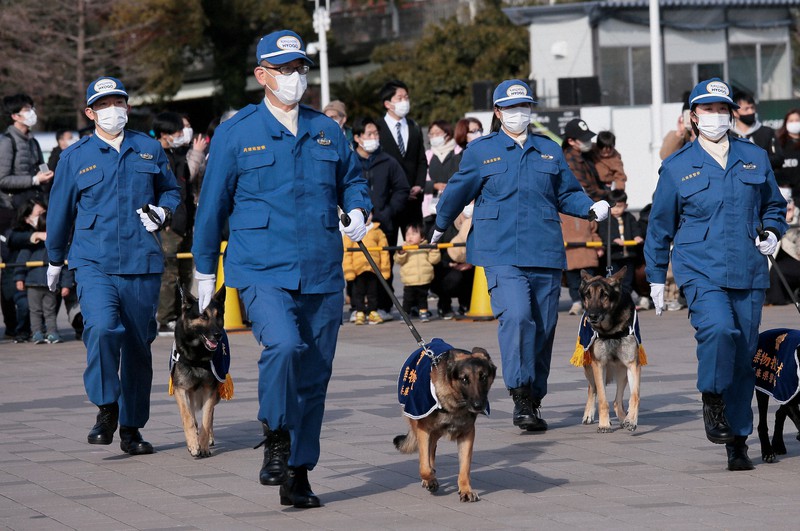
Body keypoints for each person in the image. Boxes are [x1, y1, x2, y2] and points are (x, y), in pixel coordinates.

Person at [191, 30, 371, 509]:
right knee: (285, 346)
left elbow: (353, 181)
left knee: (314, 375)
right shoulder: (238, 131)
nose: (295, 77)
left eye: (300, 68)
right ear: (262, 75)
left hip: (321, 271)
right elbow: (212, 206)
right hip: (260, 267)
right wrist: (205, 272)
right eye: (285, 69)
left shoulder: (326, 129)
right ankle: (274, 435)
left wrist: (357, 211)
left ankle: (298, 471)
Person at [431, 79, 610, 432]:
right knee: (517, 317)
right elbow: (458, 189)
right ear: (498, 112)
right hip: (500, 251)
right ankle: (520, 395)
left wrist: (590, 207)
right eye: (511, 108)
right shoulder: (482, 151)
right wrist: (439, 224)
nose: (519, 113)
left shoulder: (549, 150)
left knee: (542, 328)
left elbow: (566, 193)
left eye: (525, 106)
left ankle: (534, 395)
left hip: (544, 250)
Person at [645, 78, 787, 471]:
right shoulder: (677, 167)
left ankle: (737, 440)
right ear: (693, 116)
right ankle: (711, 397)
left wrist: (773, 232)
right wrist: (656, 276)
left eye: (722, 109)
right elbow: (659, 225)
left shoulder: (754, 157)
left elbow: (774, 206)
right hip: (699, 267)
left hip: (748, 266)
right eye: (707, 110)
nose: (716, 116)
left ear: (732, 114)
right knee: (719, 331)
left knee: (743, 355)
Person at [46, 76, 181, 456]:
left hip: (142, 262)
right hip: (94, 261)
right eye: (104, 104)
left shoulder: (148, 148)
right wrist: (55, 260)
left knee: (139, 346)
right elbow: (59, 213)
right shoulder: (75, 156)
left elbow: (171, 189)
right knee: (103, 329)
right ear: (90, 113)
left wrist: (163, 210)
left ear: (128, 106)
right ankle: (107, 407)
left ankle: (132, 428)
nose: (113, 110)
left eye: (118, 101)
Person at [0, 94, 53, 337]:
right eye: (26, 109)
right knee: (15, 267)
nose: (32, 112)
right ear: (14, 116)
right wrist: (33, 179)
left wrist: (45, 175)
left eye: (32, 107)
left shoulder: (31, 141)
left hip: (34, 207)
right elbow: (2, 179)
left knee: (35, 261)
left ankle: (35, 326)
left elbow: (40, 167)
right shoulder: (7, 141)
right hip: (12, 211)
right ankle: (15, 326)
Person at [350, 116, 409, 322]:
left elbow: (402, 189)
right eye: (369, 134)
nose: (374, 138)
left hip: (384, 225)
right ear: (357, 138)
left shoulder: (389, 161)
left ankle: (383, 306)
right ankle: (357, 307)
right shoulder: (349, 161)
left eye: (376, 134)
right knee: (354, 266)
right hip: (354, 226)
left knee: (384, 266)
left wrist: (385, 213)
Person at [152, 112, 195, 334]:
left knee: (186, 272)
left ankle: (181, 315)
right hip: (168, 224)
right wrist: (164, 218)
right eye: (178, 130)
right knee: (170, 274)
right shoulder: (155, 154)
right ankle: (164, 317)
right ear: (164, 133)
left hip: (185, 221)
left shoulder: (178, 155)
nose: (182, 134)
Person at [378, 80, 427, 236]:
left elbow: (421, 159)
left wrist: (419, 184)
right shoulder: (377, 129)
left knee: (415, 251)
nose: (404, 101)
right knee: (387, 253)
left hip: (413, 201)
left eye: (406, 97)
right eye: (399, 98)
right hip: (389, 200)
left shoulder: (414, 126)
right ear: (388, 104)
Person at [14, 203, 67, 344]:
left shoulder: (58, 244)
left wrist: (66, 284)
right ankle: (36, 332)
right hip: (32, 283)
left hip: (51, 284)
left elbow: (66, 265)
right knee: (35, 311)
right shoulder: (32, 243)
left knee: (50, 311)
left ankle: (52, 332)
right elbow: (21, 261)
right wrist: (19, 278)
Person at [342, 212, 390, 325]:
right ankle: (359, 311)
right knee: (358, 292)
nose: (367, 217)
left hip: (373, 269)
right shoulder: (351, 231)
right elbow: (346, 254)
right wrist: (349, 271)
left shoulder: (378, 231)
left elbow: (384, 253)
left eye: (369, 214)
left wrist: (384, 270)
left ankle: (372, 311)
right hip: (357, 269)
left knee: (373, 292)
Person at [429, 203, 475, 319]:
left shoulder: (479, 223)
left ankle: (466, 303)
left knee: (474, 275)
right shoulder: (445, 224)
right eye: (468, 203)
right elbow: (432, 250)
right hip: (445, 267)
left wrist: (470, 264)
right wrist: (449, 264)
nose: (470, 206)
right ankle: (444, 305)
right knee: (452, 278)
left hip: (470, 265)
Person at [597, 189, 644, 298]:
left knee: (627, 278)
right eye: (614, 207)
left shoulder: (629, 217)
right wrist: (614, 239)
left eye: (620, 206)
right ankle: (613, 297)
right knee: (613, 278)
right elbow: (603, 233)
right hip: (614, 256)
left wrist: (637, 236)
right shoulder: (605, 220)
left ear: (626, 205)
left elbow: (635, 228)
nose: (616, 210)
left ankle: (626, 297)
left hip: (628, 255)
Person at [395, 224, 440, 322]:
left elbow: (434, 260)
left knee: (422, 298)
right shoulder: (404, 248)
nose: (410, 237)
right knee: (407, 299)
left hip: (424, 279)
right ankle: (405, 314)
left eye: (414, 234)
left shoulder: (426, 247)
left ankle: (423, 312)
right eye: (407, 234)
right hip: (409, 280)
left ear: (422, 237)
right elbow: (398, 261)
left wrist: (434, 251)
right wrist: (401, 253)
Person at [422, 120, 460, 236]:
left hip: (455, 208)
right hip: (431, 211)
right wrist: (433, 186)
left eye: (437, 133)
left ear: (447, 133)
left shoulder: (458, 153)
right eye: (431, 134)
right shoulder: (428, 155)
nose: (434, 137)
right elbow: (420, 181)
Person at [561, 213, 602, 315]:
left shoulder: (587, 214)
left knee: (590, 282)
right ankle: (577, 302)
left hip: (587, 253)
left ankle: (590, 303)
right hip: (569, 253)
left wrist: (599, 246)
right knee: (573, 282)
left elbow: (594, 232)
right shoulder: (561, 215)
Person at [773, 108, 800, 201]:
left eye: (797, 120)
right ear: (786, 123)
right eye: (791, 121)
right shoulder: (779, 143)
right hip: (784, 192)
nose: (794, 123)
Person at [660, 93, 696, 160]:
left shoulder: (709, 133)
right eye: (688, 115)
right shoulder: (678, 136)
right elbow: (664, 156)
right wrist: (679, 133)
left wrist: (696, 136)